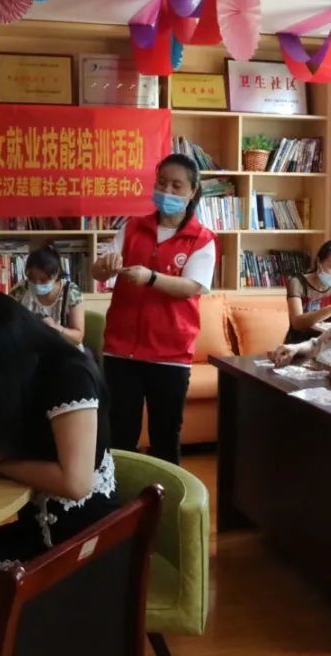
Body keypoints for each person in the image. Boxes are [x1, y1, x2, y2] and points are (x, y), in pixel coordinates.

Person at [0, 287, 116, 563]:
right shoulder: (30, 368)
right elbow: (40, 432)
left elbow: (76, 483)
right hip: (40, 527)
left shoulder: (69, 375)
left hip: (77, 541)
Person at [90, 154, 216, 465]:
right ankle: (118, 493)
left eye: (176, 185)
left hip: (170, 354)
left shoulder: (202, 239)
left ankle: (166, 495)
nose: (167, 191)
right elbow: (98, 271)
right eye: (162, 183)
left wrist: (151, 278)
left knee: (165, 438)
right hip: (122, 351)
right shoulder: (133, 227)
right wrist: (104, 266)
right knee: (120, 435)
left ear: (192, 191)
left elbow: (192, 287)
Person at [9, 244, 86, 349]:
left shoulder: (71, 292)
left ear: (56, 274)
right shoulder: (21, 290)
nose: (36, 284)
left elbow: (78, 337)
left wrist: (55, 328)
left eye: (43, 280)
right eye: (31, 278)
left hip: (65, 349)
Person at [284, 239, 331, 344]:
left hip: (328, 342)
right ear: (319, 262)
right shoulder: (298, 283)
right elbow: (297, 323)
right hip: (299, 342)